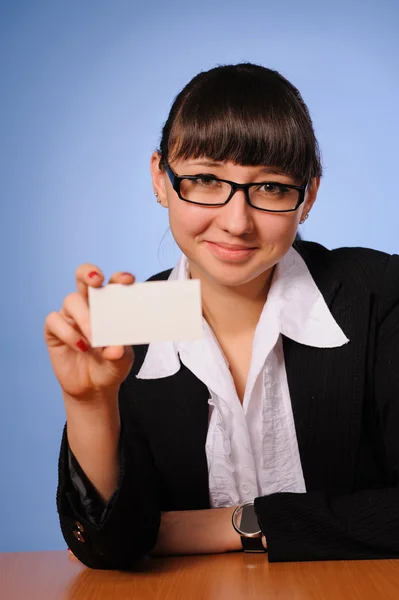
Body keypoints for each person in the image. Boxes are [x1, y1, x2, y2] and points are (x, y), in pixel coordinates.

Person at [45, 63, 399, 570]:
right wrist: (89, 404)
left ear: (309, 197)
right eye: (206, 179)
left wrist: (238, 522)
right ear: (160, 178)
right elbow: (114, 546)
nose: (236, 222)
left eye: (272, 188)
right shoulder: (126, 323)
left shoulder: (380, 294)